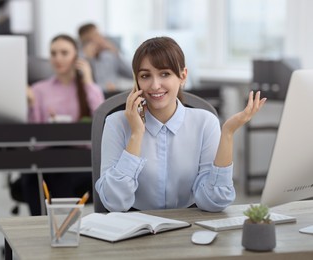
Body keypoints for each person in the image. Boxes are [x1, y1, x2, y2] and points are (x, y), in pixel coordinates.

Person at [95, 37, 266, 212]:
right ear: (137, 80)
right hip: (134, 228)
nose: (155, 85)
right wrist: (136, 134)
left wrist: (228, 133)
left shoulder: (205, 122)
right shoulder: (116, 123)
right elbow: (114, 202)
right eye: (145, 76)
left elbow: (215, 201)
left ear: (182, 76)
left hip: (189, 227)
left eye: (164, 74)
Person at [22, 34, 105, 215]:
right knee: (31, 176)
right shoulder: (39, 90)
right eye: (53, 53)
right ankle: (39, 227)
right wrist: (30, 104)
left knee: (61, 176)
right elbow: (34, 137)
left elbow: (101, 123)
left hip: (80, 159)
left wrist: (88, 81)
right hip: (48, 156)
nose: (57, 58)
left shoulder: (88, 88)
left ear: (76, 57)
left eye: (64, 53)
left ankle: (63, 232)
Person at [78, 23, 133, 93]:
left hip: (113, 95)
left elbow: (132, 73)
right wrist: (87, 57)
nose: (100, 37)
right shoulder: (80, 58)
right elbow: (77, 82)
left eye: (98, 34)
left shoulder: (109, 55)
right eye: (95, 35)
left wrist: (116, 52)